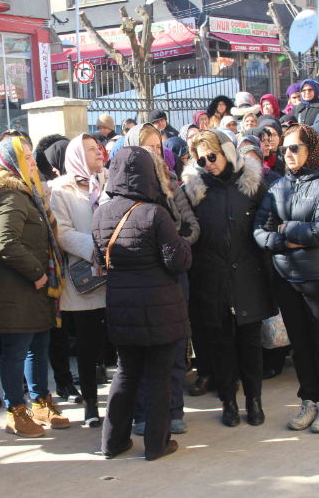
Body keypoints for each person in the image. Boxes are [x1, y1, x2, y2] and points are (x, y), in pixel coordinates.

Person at [93, 146, 192, 461]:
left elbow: (100, 260)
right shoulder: (155, 213)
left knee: (125, 373)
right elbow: (178, 262)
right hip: (160, 309)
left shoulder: (101, 213)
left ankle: (112, 442)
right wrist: (183, 241)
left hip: (121, 308)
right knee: (160, 377)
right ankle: (156, 445)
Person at [0, 135, 70, 438]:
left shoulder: (24, 191)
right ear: (11, 163)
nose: (31, 162)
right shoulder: (10, 195)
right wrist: (38, 273)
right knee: (16, 352)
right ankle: (15, 411)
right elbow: (5, 241)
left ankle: (40, 402)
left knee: (38, 347)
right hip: (14, 290)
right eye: (25, 157)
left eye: (31, 156)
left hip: (30, 291)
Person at [182, 130, 277, 428]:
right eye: (201, 160)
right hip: (212, 278)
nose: (208, 163)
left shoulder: (252, 183)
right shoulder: (193, 190)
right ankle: (229, 402)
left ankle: (254, 401)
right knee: (221, 345)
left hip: (248, 274)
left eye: (212, 156)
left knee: (250, 344)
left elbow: (268, 220)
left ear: (227, 152)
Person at [254, 125, 319, 433]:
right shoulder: (278, 186)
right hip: (286, 277)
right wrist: (284, 239)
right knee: (301, 345)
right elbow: (259, 229)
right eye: (285, 149)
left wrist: (283, 228)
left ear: (312, 150)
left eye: (295, 148)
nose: (288, 154)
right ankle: (309, 399)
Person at [121, 124, 200, 435]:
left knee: (176, 345)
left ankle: (174, 410)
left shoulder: (171, 183)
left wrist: (174, 245)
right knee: (143, 349)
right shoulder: (122, 188)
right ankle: (143, 414)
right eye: (147, 147)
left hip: (175, 274)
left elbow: (192, 226)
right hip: (141, 279)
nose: (154, 152)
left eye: (157, 146)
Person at [48, 133, 109, 428]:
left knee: (118, 343)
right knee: (87, 346)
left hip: (117, 276)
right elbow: (62, 232)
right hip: (85, 278)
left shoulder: (110, 180)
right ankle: (91, 405)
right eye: (90, 149)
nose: (98, 152)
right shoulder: (61, 189)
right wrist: (99, 251)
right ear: (76, 156)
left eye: (98, 147)